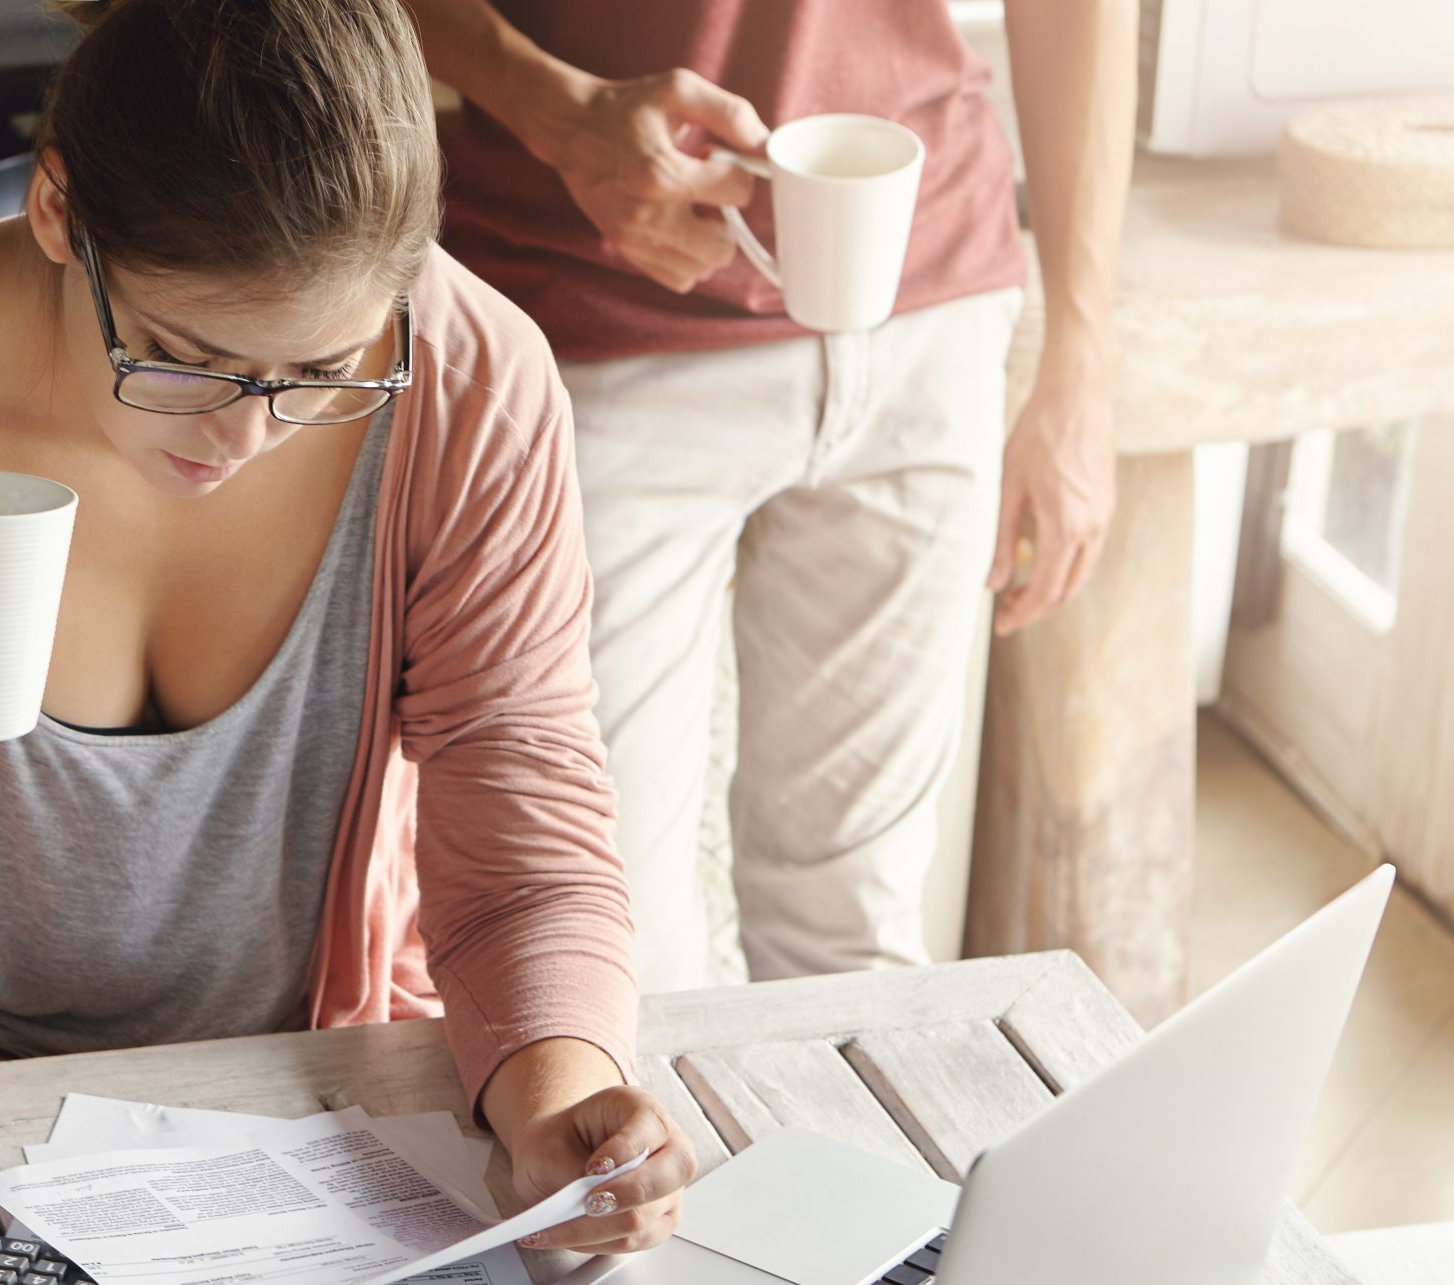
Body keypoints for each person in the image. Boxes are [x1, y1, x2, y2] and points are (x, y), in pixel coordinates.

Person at [0, 0, 698, 1254]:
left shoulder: (470, 384)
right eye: (181, 358)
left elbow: (518, 822)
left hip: (295, 1136)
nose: (243, 437)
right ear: (58, 213)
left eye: (322, 375)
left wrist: (558, 1093)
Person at [407, 0, 1132, 991]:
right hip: (588, 315)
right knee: (607, 956)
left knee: (856, 935)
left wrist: (1082, 360)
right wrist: (557, 110)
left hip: (927, 297)